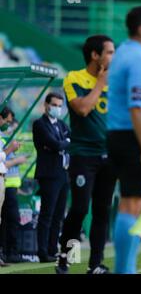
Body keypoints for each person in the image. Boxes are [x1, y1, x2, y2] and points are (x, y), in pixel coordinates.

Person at [107, 6, 141, 274]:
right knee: (132, 204)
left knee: (132, 203)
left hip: (118, 135)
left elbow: (134, 96)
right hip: (132, 136)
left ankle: (126, 268)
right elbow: (137, 107)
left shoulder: (123, 52)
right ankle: (124, 270)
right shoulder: (139, 58)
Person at [56, 35, 116, 274]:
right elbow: (81, 109)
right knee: (80, 209)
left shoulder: (116, 82)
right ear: (95, 55)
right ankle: (65, 257)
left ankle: (95, 265)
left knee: (103, 211)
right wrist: (100, 83)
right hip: (83, 155)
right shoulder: (74, 77)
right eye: (110, 52)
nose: (114, 56)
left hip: (109, 155)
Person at [33, 92, 70, 263]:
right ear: (46, 105)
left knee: (58, 215)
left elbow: (71, 141)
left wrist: (64, 144)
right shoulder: (39, 124)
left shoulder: (62, 124)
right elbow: (54, 144)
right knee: (47, 214)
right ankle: (42, 252)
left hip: (63, 173)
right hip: (49, 174)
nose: (57, 108)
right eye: (54, 105)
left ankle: (52, 249)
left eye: (59, 105)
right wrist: (64, 143)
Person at [0, 108, 28, 263]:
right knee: (11, 220)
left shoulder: (6, 138)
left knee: (6, 221)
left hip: (9, 184)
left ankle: (7, 253)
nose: (9, 126)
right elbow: (4, 161)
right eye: (8, 122)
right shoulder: (5, 140)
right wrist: (17, 159)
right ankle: (10, 253)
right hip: (6, 183)